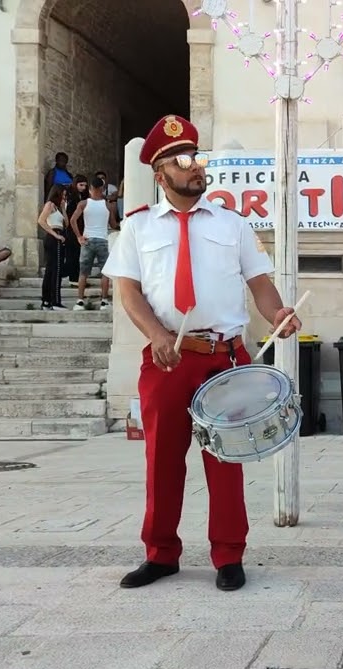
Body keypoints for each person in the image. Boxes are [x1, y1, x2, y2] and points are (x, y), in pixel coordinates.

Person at [102, 114, 302, 592]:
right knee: (163, 460)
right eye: (183, 161)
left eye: (197, 158)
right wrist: (155, 335)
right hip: (168, 357)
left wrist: (277, 315)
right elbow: (128, 291)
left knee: (225, 462)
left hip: (224, 359)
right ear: (159, 173)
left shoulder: (233, 225)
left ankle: (229, 555)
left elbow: (260, 284)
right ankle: (160, 553)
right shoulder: (138, 228)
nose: (195, 168)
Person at [70, 180, 115, 310]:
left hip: (87, 239)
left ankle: (79, 301)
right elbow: (112, 224)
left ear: (90, 188)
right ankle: (104, 301)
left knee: (83, 272)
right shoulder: (108, 205)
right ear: (103, 189)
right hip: (103, 239)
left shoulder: (83, 204)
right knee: (105, 273)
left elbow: (73, 220)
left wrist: (79, 236)